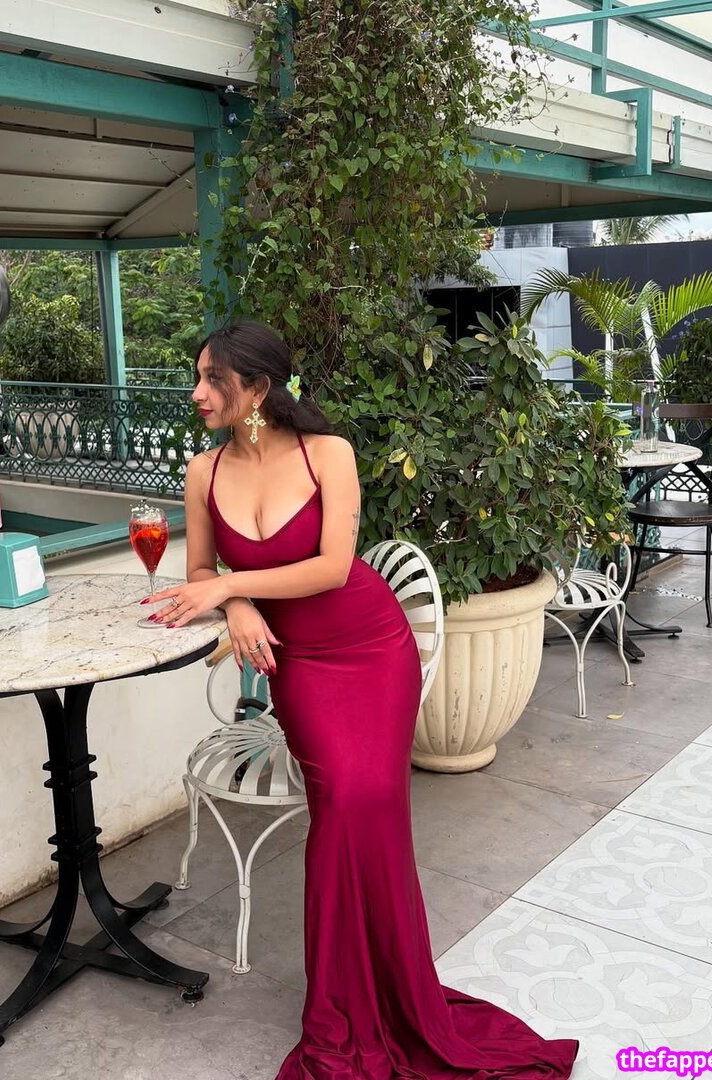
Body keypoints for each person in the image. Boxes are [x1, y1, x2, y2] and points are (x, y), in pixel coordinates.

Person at [146, 320, 579, 1079]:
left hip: (370, 650)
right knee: (345, 805)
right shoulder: (202, 471)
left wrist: (231, 589)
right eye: (198, 377)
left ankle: (388, 994)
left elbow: (333, 568)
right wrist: (235, 603)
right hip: (303, 665)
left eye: (213, 378)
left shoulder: (328, 454)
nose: (198, 393)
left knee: (363, 805)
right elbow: (202, 571)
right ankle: (345, 1008)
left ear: (258, 389)